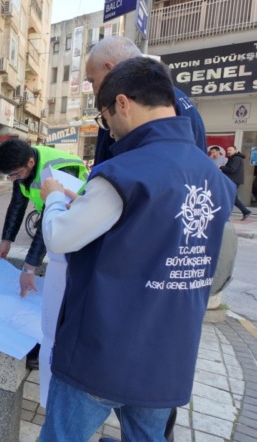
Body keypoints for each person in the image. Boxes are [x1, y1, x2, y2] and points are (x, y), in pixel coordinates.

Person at [38, 57, 235, 441]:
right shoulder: (214, 178)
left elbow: (60, 237)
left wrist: (54, 201)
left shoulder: (125, 172)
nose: (109, 131)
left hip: (104, 351)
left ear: (123, 103)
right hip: (168, 357)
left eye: (106, 117)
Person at [86, 36, 208, 442]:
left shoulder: (144, 118)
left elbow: (122, 179)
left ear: (114, 85)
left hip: (142, 261)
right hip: (166, 267)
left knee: (139, 368)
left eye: (92, 83)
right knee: (155, 370)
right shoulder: (177, 105)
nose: (92, 93)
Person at [0, 139, 88, 400]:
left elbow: (49, 224)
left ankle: (59, 349)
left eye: (16, 174)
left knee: (66, 293)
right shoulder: (22, 170)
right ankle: (40, 342)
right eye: (9, 175)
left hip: (79, 232)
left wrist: (29, 267)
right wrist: (6, 239)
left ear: (31, 163)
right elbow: (17, 205)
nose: (13, 179)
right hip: (60, 229)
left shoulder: (59, 169)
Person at [86, 36, 206, 165]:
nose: (94, 91)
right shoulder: (175, 98)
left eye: (92, 81)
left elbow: (118, 172)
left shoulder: (124, 105)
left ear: (110, 68)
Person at [221, 145, 252, 220]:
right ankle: (245, 211)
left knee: (228, 197)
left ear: (235, 150)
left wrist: (221, 167)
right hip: (233, 180)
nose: (228, 152)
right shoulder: (234, 158)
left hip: (233, 180)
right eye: (227, 150)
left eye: (230, 150)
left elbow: (232, 170)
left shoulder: (236, 158)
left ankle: (225, 215)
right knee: (232, 197)